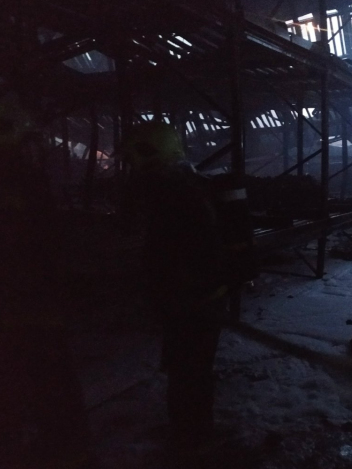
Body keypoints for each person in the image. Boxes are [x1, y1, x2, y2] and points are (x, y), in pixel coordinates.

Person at [0, 98, 92, 468]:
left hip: (5, 313)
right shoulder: (18, 182)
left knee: (0, 398)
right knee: (44, 389)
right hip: (24, 310)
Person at [120, 122, 232, 454]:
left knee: (189, 370)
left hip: (191, 300)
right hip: (200, 297)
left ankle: (191, 437)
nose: (133, 163)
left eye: (138, 154)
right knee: (191, 368)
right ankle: (190, 430)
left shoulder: (172, 192)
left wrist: (170, 292)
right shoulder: (189, 184)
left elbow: (175, 251)